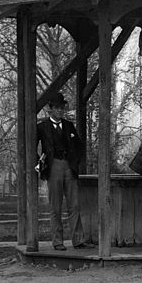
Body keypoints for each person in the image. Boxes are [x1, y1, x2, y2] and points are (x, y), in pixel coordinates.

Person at [37, 92, 92, 251]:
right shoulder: (42, 127)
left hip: (69, 166)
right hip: (53, 166)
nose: (60, 111)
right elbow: (31, 147)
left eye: (62, 108)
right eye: (57, 108)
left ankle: (78, 240)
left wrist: (76, 162)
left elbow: (80, 147)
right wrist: (40, 164)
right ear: (50, 109)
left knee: (74, 205)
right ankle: (57, 241)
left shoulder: (69, 126)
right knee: (55, 206)